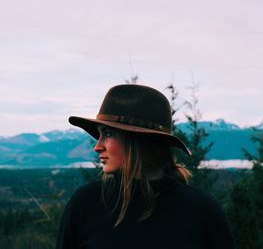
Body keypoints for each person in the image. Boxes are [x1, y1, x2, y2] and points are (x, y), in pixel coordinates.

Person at [56, 84, 236, 249]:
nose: (97, 146)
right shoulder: (86, 203)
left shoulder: (201, 210)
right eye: (99, 135)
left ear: (138, 141)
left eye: (108, 134)